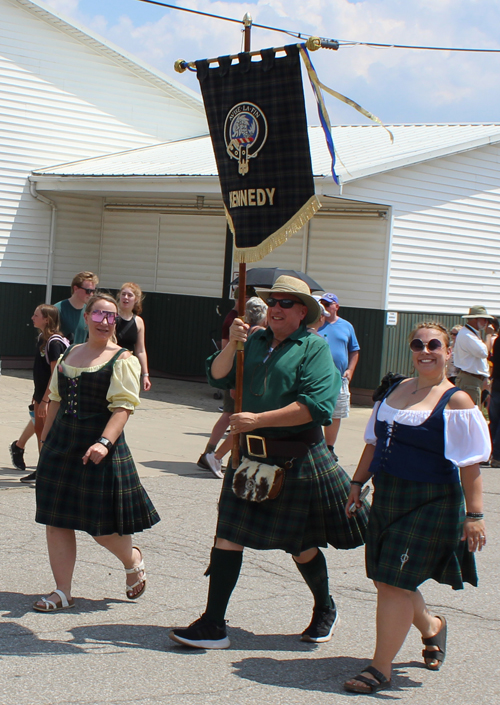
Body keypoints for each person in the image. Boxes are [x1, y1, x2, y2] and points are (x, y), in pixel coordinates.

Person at [170, 276, 368, 649]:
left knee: (301, 543)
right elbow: (216, 373)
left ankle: (325, 607)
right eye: (273, 301)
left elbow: (316, 407)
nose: (276, 307)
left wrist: (257, 420)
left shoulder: (314, 348)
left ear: (302, 312)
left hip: (296, 456)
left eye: (286, 303)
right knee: (228, 535)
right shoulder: (253, 340)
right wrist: (233, 343)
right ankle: (213, 624)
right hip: (249, 457)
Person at [343, 321, 489, 694]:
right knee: (386, 576)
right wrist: (356, 484)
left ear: (448, 351)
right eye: (418, 344)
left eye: (434, 345)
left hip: (432, 500)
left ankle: (380, 668)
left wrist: (474, 516)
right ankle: (432, 627)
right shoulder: (394, 389)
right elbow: (373, 444)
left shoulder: (456, 400)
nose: (426, 351)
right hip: (389, 494)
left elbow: (470, 465)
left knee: (393, 581)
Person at [33, 293, 160, 612]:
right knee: (56, 519)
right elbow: (56, 399)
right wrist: (45, 444)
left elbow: (122, 409)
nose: (105, 322)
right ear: (87, 317)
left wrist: (104, 442)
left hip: (101, 446)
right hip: (63, 442)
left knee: (100, 527)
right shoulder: (69, 353)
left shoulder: (123, 360)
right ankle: (63, 591)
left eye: (111, 317)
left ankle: (133, 561)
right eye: (100, 315)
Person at [203, 296, 268, 478]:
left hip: (240, 386)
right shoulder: (255, 334)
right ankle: (215, 455)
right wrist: (234, 386)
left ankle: (213, 453)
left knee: (233, 421)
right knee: (239, 425)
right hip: (243, 388)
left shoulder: (246, 332)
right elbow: (234, 360)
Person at [19, 305, 69, 484]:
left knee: (46, 434)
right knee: (39, 429)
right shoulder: (42, 338)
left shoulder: (54, 342)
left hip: (51, 397)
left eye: (36, 315)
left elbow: (55, 373)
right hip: (40, 394)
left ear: (47, 319)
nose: (32, 317)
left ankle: (48, 472)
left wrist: (46, 400)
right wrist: (37, 395)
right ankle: (42, 469)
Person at [318, 293, 360, 461]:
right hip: (319, 376)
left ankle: (329, 447)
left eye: (328, 304)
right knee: (316, 411)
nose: (325, 307)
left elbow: (354, 350)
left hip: (339, 378)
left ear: (336, 306)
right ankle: (316, 446)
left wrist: (350, 370)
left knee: (336, 414)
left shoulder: (346, 326)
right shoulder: (316, 324)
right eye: (323, 304)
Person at [454, 305, 494, 406]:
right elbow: (484, 352)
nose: (486, 322)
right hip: (470, 380)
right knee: (470, 411)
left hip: (473, 380)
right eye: (484, 319)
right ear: (475, 319)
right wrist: (489, 335)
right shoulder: (467, 335)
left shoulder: (471, 333)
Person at [116, 282, 152, 391]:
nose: (126, 298)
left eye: (130, 295)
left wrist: (145, 375)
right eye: (123, 294)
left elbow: (140, 350)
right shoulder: (111, 315)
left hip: (128, 366)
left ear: (136, 299)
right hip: (111, 362)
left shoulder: (138, 321)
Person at [54, 271, 99, 345]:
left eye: (93, 291)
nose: (91, 294)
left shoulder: (90, 312)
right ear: (76, 289)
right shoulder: (57, 310)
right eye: (88, 291)